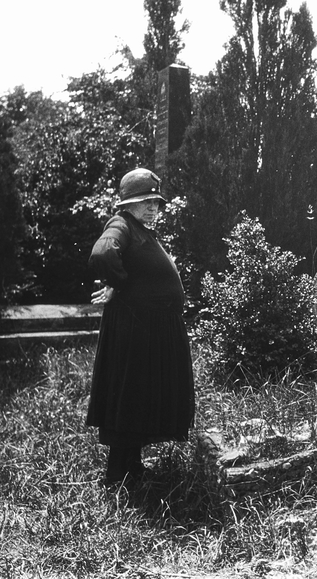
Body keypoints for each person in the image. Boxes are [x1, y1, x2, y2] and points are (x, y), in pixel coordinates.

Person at [86, 168, 195, 486]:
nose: (152, 207)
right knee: (131, 395)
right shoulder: (121, 225)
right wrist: (118, 285)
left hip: (150, 330)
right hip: (135, 329)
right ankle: (117, 476)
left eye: (156, 202)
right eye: (144, 201)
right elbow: (103, 254)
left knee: (140, 396)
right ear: (127, 204)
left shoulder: (140, 230)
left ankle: (131, 467)